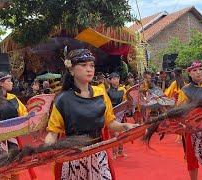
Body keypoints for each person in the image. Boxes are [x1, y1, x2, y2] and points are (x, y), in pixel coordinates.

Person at [44, 49, 137, 179]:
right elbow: (53, 133)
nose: (89, 69)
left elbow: (110, 123)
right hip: (74, 158)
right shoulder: (62, 99)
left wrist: (124, 126)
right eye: (83, 65)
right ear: (71, 70)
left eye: (92, 65)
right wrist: (45, 149)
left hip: (98, 155)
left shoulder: (101, 92)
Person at [0, 72, 28, 180]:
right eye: (9, 81)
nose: (12, 83)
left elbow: (24, 114)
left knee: (14, 167)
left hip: (11, 137)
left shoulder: (13, 98)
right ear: (1, 83)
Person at [107, 72, 127, 158]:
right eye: (114, 79)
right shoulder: (107, 91)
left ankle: (120, 151)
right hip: (112, 114)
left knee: (121, 133)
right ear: (110, 80)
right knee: (113, 134)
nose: (116, 80)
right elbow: (106, 104)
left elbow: (127, 100)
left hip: (121, 113)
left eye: (117, 78)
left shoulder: (123, 90)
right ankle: (114, 153)